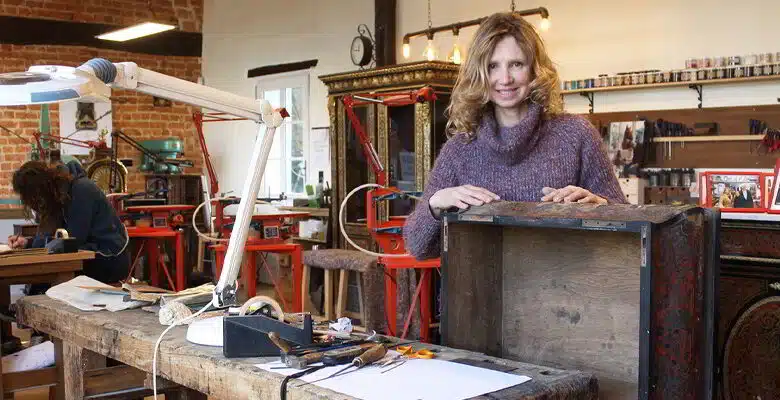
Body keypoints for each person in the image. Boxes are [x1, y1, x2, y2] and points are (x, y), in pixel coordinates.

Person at [403, 12, 627, 260]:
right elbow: (418, 247)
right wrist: (435, 204)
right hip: (479, 285)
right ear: (479, 74)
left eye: (516, 64)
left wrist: (601, 206)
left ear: (534, 70)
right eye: (493, 66)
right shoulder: (459, 150)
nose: (505, 79)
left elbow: (628, 226)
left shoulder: (577, 135)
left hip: (565, 283)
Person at [7, 160, 129, 283]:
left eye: (34, 198)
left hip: (109, 259)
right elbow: (48, 237)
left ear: (41, 189)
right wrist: (27, 243)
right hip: (87, 255)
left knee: (48, 277)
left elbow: (72, 241)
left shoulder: (81, 190)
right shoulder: (56, 195)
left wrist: (47, 245)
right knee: (41, 279)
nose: (35, 204)